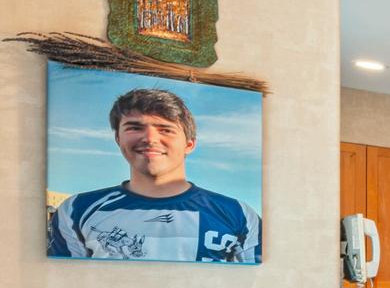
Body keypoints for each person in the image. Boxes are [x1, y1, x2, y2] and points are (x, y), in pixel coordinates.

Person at [47, 84, 261, 262]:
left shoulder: (239, 215)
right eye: (134, 127)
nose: (150, 138)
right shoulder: (75, 211)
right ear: (118, 139)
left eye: (165, 129)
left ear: (189, 144)